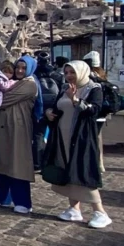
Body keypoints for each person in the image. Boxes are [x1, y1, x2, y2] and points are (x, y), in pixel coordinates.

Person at [43, 61, 111, 228]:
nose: (69, 76)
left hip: (81, 138)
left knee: (83, 171)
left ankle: (99, 211)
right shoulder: (65, 88)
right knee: (69, 169)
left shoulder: (93, 89)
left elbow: (94, 110)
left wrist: (75, 100)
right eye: (66, 72)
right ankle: (74, 208)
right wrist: (49, 113)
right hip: (63, 137)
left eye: (72, 72)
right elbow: (58, 107)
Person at [0, 56, 40, 214]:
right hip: (4, 129)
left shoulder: (30, 84)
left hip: (18, 130)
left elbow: (2, 100)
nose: (19, 71)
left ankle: (23, 201)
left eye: (23, 68)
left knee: (18, 164)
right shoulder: (12, 82)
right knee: (3, 162)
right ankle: (3, 196)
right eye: (18, 67)